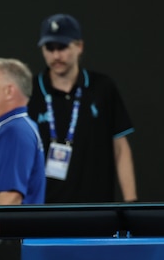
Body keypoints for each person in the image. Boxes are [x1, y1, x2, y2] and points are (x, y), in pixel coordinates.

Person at [27, 13, 138, 203]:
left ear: (79, 46)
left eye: (62, 47)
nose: (56, 55)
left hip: (96, 209)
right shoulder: (30, 90)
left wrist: (131, 202)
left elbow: (120, 147)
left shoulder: (102, 88)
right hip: (43, 210)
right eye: (49, 48)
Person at [0, 58, 46, 205]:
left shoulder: (15, 131)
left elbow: (10, 199)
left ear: (9, 91)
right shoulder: (3, 129)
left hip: (7, 229)